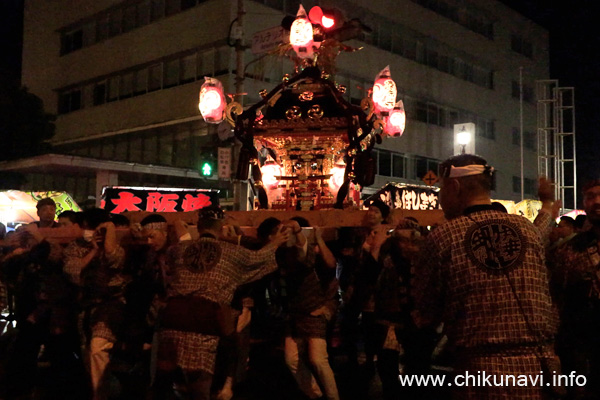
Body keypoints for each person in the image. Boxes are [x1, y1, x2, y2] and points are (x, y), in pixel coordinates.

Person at [412, 154, 559, 399]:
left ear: (455, 187)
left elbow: (426, 312)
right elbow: (541, 231)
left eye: (441, 189)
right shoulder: (527, 231)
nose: (440, 198)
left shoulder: (443, 237)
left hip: (480, 376)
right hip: (539, 372)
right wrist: (547, 204)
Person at [153, 206, 289, 400]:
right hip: (204, 323)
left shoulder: (176, 250)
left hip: (172, 322)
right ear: (221, 226)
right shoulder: (232, 252)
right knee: (201, 386)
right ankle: (227, 385)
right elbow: (258, 259)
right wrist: (274, 243)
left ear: (199, 226)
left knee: (170, 386)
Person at [551, 180, 600, 399]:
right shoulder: (569, 249)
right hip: (581, 352)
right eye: (590, 196)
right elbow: (557, 299)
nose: (596, 201)